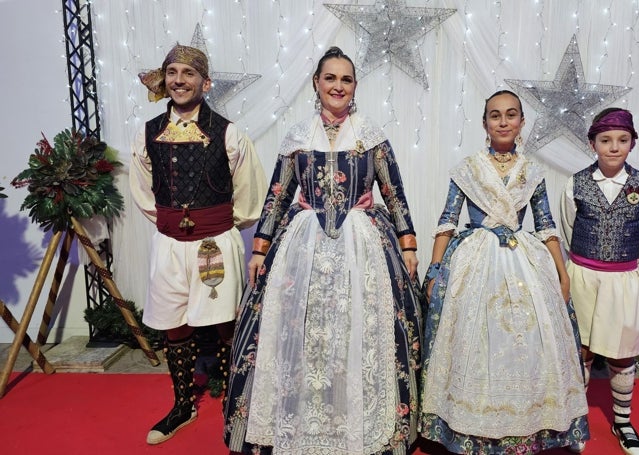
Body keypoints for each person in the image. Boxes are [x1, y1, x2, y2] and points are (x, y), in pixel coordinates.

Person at [222, 46, 423, 454]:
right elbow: (278, 196)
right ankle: (301, 414)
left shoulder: (372, 134)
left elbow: (394, 193)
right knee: (302, 329)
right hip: (302, 245)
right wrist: (260, 248)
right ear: (316, 83)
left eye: (346, 79)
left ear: (354, 87)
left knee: (361, 328)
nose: (337, 86)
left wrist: (408, 245)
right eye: (330, 78)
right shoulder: (298, 135)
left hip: (364, 244)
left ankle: (359, 415)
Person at [418, 90, 589, 454]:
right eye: (495, 115)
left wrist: (562, 272)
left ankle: (526, 422)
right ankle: (470, 423)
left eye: (511, 115)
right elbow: (447, 221)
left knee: (525, 339)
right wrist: (435, 269)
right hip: (475, 260)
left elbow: (546, 224)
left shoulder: (533, 171)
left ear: (522, 122)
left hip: (523, 260)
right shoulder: (468, 168)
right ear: (484, 123)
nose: (503, 121)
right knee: (474, 339)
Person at [130, 43, 267, 445]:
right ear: (165, 78)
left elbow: (248, 192)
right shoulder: (149, 132)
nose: (179, 80)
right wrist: (173, 224)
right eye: (172, 72)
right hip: (169, 243)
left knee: (223, 319)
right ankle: (182, 405)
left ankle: (231, 396)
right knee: (173, 324)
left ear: (204, 82)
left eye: (188, 74)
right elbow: (141, 190)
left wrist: (215, 224)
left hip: (213, 243)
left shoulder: (228, 132)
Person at [560, 107, 639, 455]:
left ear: (632, 143)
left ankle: (623, 422)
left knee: (622, 354)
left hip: (623, 280)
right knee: (581, 349)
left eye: (622, 140)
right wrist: (582, 266)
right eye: (606, 140)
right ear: (592, 143)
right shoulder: (576, 182)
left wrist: (630, 269)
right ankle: (578, 419)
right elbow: (568, 230)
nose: (614, 147)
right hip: (583, 277)